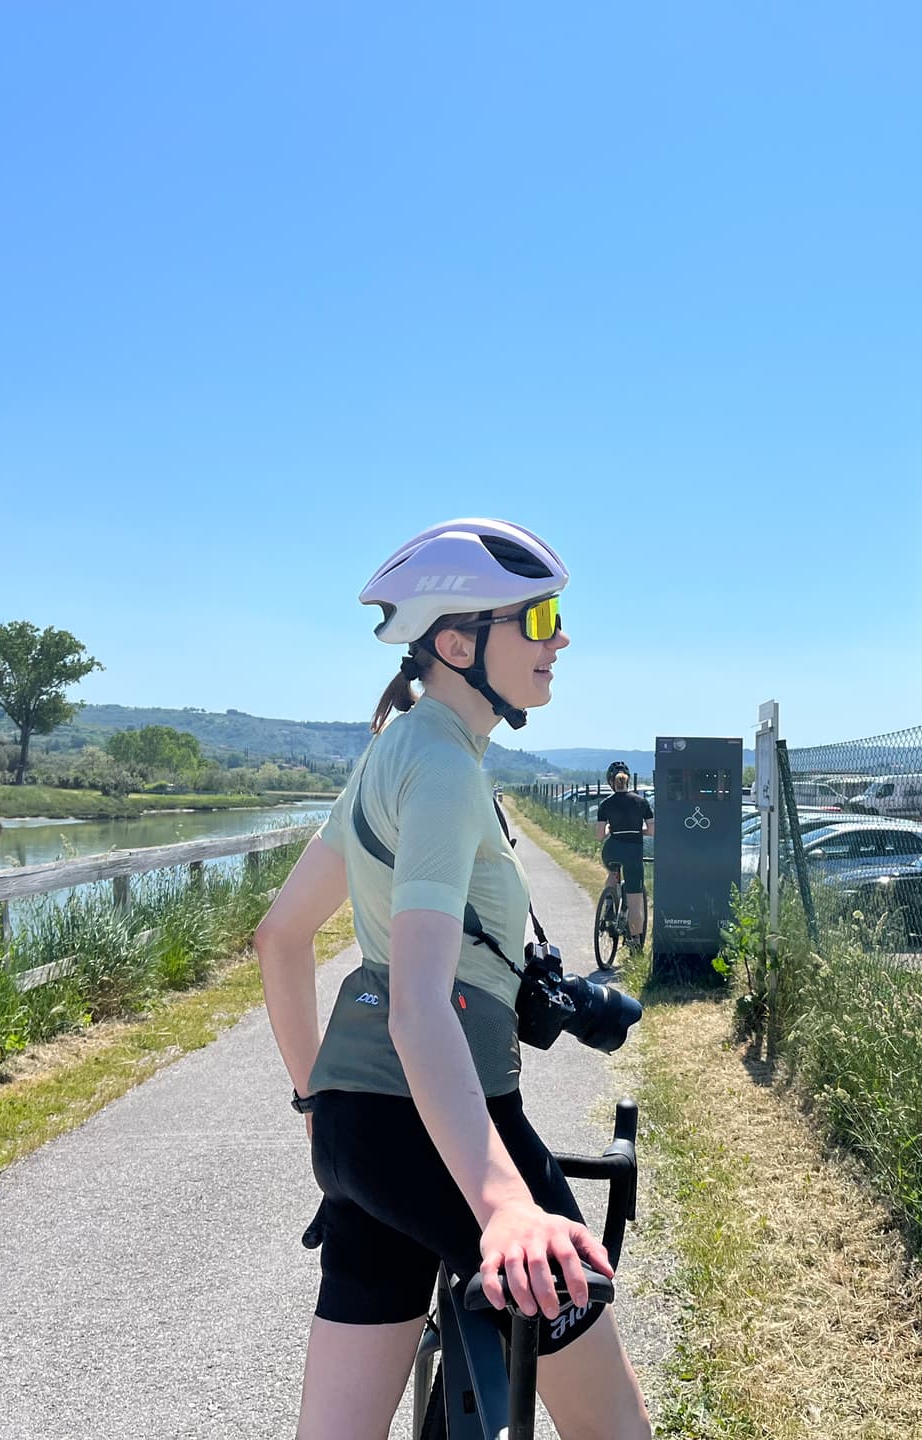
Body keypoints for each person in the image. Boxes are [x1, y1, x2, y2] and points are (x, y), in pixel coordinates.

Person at [253, 519, 652, 1440]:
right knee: (616, 1432)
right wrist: (505, 1203)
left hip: (361, 1134)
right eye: (538, 617)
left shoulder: (395, 750)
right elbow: (420, 1003)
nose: (560, 639)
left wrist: (317, 1098)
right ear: (460, 643)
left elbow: (280, 937)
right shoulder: (441, 768)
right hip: (444, 1124)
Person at [594, 764, 653, 947]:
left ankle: (609, 903)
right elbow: (652, 830)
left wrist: (610, 829)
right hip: (633, 851)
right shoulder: (641, 802)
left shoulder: (606, 804)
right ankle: (635, 942)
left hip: (611, 849)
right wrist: (638, 831)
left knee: (612, 873)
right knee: (635, 903)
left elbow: (599, 836)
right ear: (628, 781)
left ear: (611, 782)